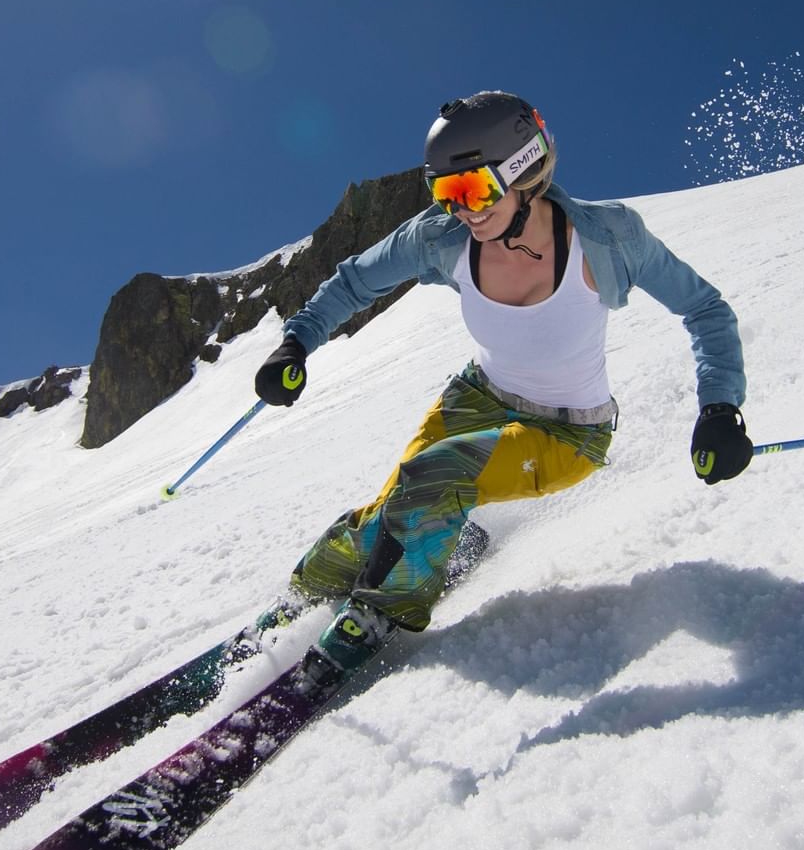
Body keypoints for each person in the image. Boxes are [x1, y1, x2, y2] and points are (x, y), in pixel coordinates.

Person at [252, 91, 752, 682]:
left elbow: (706, 310)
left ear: (525, 169)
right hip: (476, 397)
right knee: (388, 514)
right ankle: (307, 594)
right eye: (446, 192)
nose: (462, 210)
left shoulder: (608, 240)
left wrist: (721, 407)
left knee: (432, 479)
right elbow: (356, 281)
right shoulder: (441, 240)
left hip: (568, 432)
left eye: (473, 190)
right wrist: (297, 343)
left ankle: (380, 613)